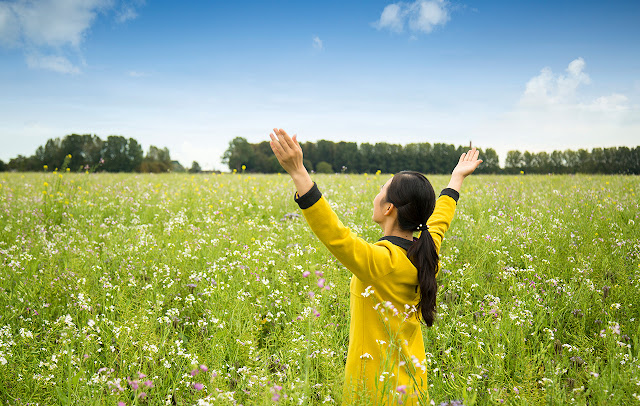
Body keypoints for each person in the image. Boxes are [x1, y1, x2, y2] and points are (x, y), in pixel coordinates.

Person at [269, 128, 482, 405]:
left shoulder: (381, 262)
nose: (376, 196)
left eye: (380, 191)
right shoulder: (428, 253)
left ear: (389, 208)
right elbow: (441, 217)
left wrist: (298, 171)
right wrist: (456, 178)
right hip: (412, 389)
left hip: (373, 391)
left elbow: (335, 234)